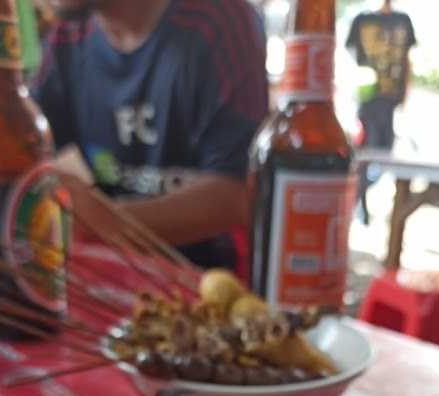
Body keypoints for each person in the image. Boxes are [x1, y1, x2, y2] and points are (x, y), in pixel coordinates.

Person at [33, 0, 268, 270]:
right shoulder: (66, 37)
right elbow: (28, 155)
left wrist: (106, 222)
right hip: (105, 279)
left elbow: (236, 194)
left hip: (204, 285)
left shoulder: (216, 20)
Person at [345, 1, 416, 224]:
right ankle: (358, 203)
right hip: (368, 101)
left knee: (385, 154)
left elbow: (407, 60)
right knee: (367, 153)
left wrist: (405, 92)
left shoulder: (403, 20)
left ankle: (357, 196)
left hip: (391, 101)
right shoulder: (361, 19)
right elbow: (349, 58)